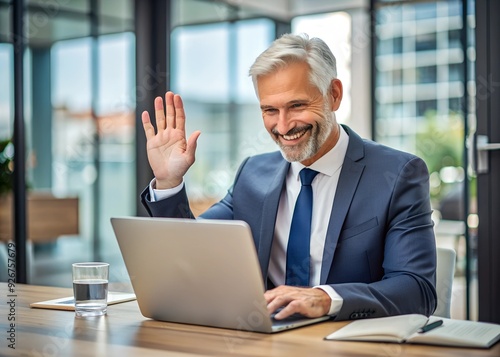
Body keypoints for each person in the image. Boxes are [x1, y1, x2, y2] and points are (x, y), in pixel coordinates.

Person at [140, 33, 437, 321]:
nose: (283, 126)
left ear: (333, 95)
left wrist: (326, 298)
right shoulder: (253, 174)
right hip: (265, 340)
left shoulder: (397, 174)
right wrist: (168, 182)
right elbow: (191, 254)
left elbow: (417, 290)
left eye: (297, 105)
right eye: (270, 110)